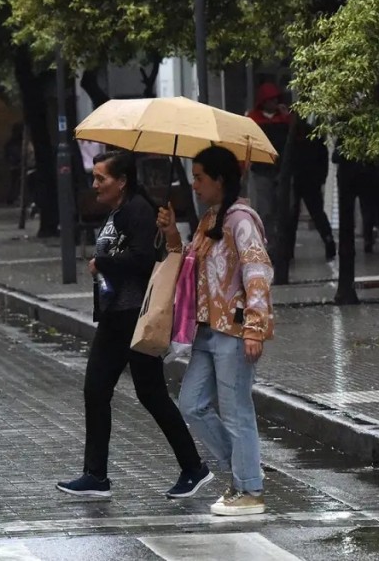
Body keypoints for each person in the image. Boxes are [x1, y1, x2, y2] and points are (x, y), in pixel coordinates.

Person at [56, 151, 213, 500]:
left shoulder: (138, 210)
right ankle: (98, 475)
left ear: (122, 181)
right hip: (117, 315)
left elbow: (143, 260)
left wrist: (103, 263)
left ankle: (191, 468)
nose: (95, 184)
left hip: (133, 316)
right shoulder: (120, 210)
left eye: (102, 178)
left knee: (138, 392)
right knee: (107, 390)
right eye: (95, 177)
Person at [158, 146, 274, 516]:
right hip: (206, 330)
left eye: (200, 178)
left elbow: (257, 271)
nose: (194, 185)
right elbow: (191, 269)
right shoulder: (210, 218)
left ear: (219, 180)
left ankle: (249, 488)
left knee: (237, 411)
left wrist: (254, 328)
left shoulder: (241, 220)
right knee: (192, 404)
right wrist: (171, 234)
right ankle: (245, 472)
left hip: (234, 330)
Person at [245, 83, 291, 252]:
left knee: (282, 209)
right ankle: (267, 244)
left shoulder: (283, 119)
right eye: (271, 100)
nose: (274, 102)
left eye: (275, 99)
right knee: (265, 209)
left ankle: (280, 245)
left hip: (281, 170)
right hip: (262, 170)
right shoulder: (254, 119)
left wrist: (287, 117)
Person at [289, 123, 336, 260]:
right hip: (310, 179)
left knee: (295, 215)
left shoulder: (293, 135)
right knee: (316, 214)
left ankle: (289, 249)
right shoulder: (312, 134)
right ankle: (328, 242)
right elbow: (323, 157)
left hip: (301, 178)